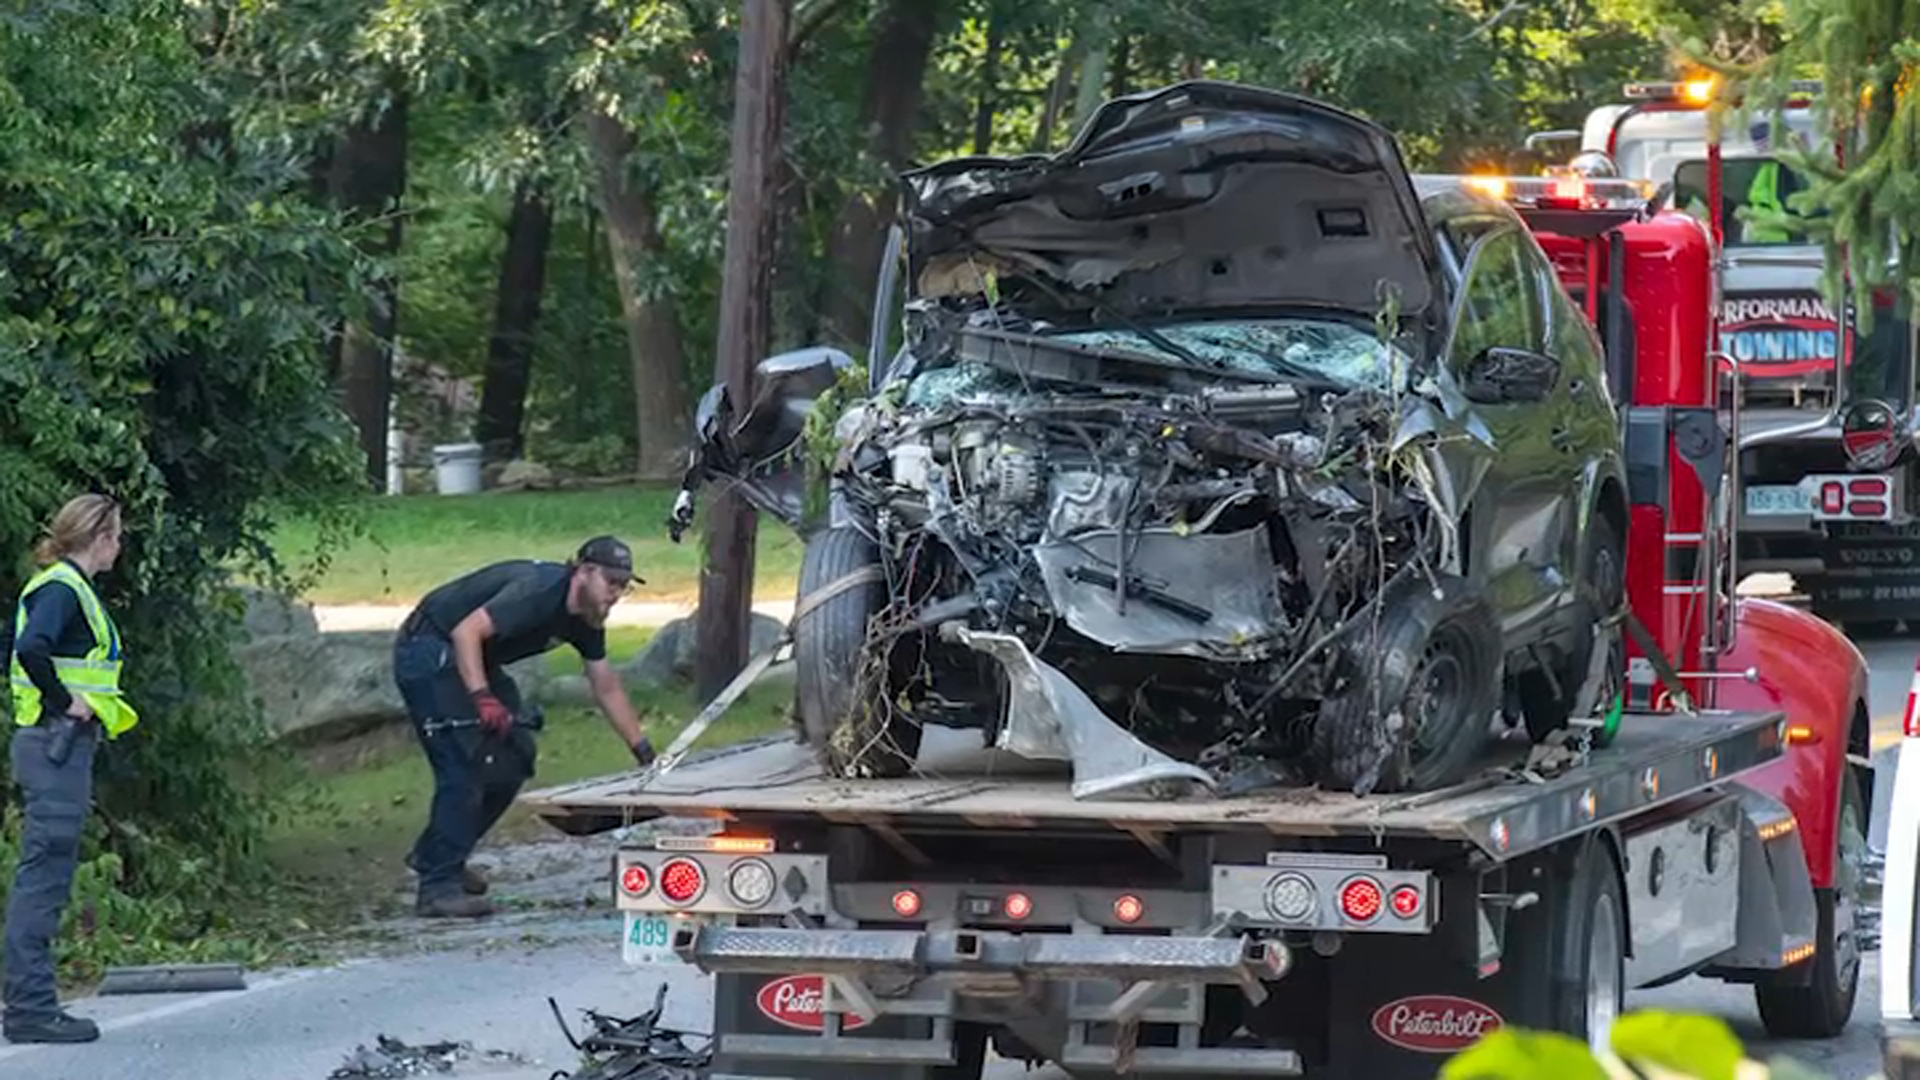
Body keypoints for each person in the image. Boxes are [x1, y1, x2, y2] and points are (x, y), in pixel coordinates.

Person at [393, 536, 655, 918]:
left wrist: (644, 752)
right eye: (611, 582)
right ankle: (438, 889)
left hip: (473, 658)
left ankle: (439, 853)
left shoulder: (586, 617)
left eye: (623, 585)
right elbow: (465, 632)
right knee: (465, 766)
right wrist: (482, 697)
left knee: (515, 756)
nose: (616, 593)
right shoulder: (538, 592)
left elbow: (606, 685)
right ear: (584, 572)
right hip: (430, 647)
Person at [5, 493, 137, 1045]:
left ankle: (31, 1003)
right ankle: (31, 1008)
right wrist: (65, 702)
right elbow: (31, 649)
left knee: (46, 872)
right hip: (55, 745)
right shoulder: (63, 589)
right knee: (45, 875)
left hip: (55, 746)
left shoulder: (62, 587)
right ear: (101, 537)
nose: (121, 545)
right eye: (118, 535)